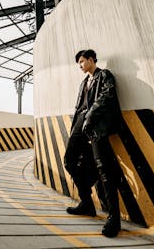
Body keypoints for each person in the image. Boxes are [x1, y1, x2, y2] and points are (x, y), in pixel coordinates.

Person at [64, 49, 123, 238]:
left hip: (96, 126)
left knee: (104, 168)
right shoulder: (83, 83)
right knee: (69, 160)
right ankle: (87, 203)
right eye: (78, 63)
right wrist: (79, 123)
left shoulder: (104, 75)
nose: (80, 66)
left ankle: (114, 218)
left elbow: (108, 95)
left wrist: (90, 115)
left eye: (82, 61)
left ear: (91, 60)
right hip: (80, 126)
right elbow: (79, 106)